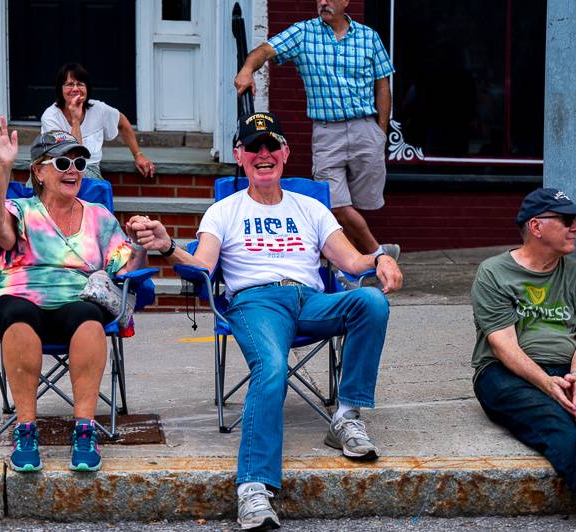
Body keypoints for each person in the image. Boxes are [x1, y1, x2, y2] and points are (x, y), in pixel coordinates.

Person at [127, 112, 403, 530]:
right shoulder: (223, 211)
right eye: (253, 147)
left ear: (285, 154)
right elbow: (201, 265)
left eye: (271, 146)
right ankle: (254, 487)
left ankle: (346, 417)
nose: (263, 154)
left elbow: (351, 261)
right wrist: (168, 247)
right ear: (239, 156)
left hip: (311, 300)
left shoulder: (311, 208)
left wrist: (380, 255)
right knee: (271, 366)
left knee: (370, 302)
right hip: (255, 304)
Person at [0, 118, 147, 473]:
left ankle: (84, 430)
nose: (72, 170)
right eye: (62, 163)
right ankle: (26, 430)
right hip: (19, 292)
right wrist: (3, 167)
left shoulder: (100, 216)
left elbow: (125, 268)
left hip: (76, 297)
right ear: (39, 173)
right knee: (18, 316)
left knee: (88, 319)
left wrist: (140, 244)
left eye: (79, 163)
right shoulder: (21, 211)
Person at [471, 188, 576, 531]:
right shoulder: (494, 273)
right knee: (551, 418)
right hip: (504, 373)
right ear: (536, 226)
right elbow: (504, 346)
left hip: (571, 369)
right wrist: (546, 383)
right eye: (568, 220)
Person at [234, 0, 399, 262]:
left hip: (365, 128)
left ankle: (351, 266)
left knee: (361, 203)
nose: (323, 2)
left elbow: (382, 86)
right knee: (334, 202)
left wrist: (380, 130)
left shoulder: (370, 37)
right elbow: (264, 51)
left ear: (345, 1)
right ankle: (377, 254)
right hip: (327, 132)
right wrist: (247, 69)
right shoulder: (303, 33)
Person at [41, 63, 155, 180]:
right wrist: (75, 120)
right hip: (57, 167)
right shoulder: (51, 116)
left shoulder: (99, 109)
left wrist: (138, 155)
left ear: (87, 89)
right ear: (61, 89)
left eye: (80, 84)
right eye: (69, 84)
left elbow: (122, 122)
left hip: (89, 168)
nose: (75, 89)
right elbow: (73, 156)